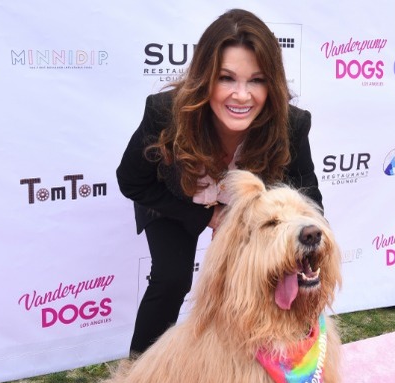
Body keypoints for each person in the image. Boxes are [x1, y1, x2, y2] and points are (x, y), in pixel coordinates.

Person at [116, 8, 323, 355]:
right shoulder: (164, 113)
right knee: (171, 278)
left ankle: (241, 370)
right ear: (205, 78)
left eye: (256, 80)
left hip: (247, 207)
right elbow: (131, 181)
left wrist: (310, 247)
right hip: (174, 200)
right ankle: (136, 377)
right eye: (227, 78)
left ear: (271, 83)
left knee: (254, 279)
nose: (241, 95)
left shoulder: (291, 124)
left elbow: (308, 195)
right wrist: (206, 217)